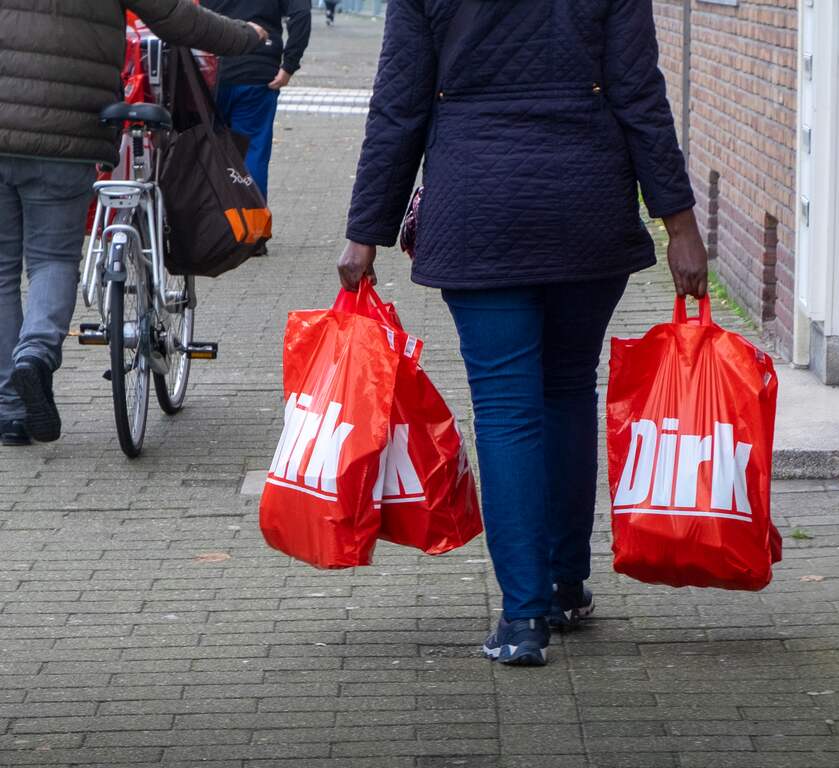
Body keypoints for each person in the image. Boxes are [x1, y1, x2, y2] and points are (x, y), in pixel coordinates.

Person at [340, 0, 709, 666]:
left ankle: (522, 620)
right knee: (568, 389)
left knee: (508, 413)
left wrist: (365, 232)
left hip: (478, 207)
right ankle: (567, 584)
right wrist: (678, 224)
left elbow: (398, 105)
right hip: (585, 202)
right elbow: (639, 94)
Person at [0, 1, 266, 448]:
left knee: (2, 271)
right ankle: (36, 354)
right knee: (51, 260)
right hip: (66, 133)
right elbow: (176, 17)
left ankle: (10, 410)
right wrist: (246, 37)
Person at [200, 0, 312, 199]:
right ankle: (253, 223)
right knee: (252, 153)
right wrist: (289, 65)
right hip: (257, 69)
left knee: (206, 153)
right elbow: (301, 13)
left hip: (208, 67)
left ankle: (210, 223)